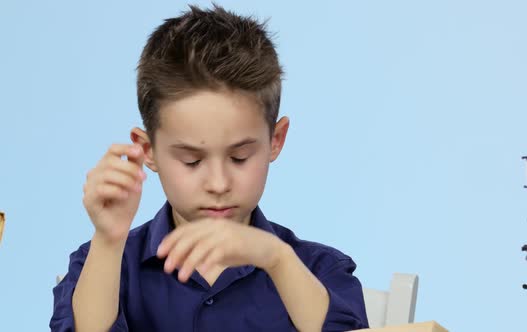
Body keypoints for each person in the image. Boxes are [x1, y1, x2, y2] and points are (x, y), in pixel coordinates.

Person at [50, 4, 368, 331]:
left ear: (276, 140)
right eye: (192, 160)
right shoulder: (107, 263)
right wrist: (109, 239)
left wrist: (277, 259)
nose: (218, 184)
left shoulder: (320, 269)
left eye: (239, 157)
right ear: (148, 150)